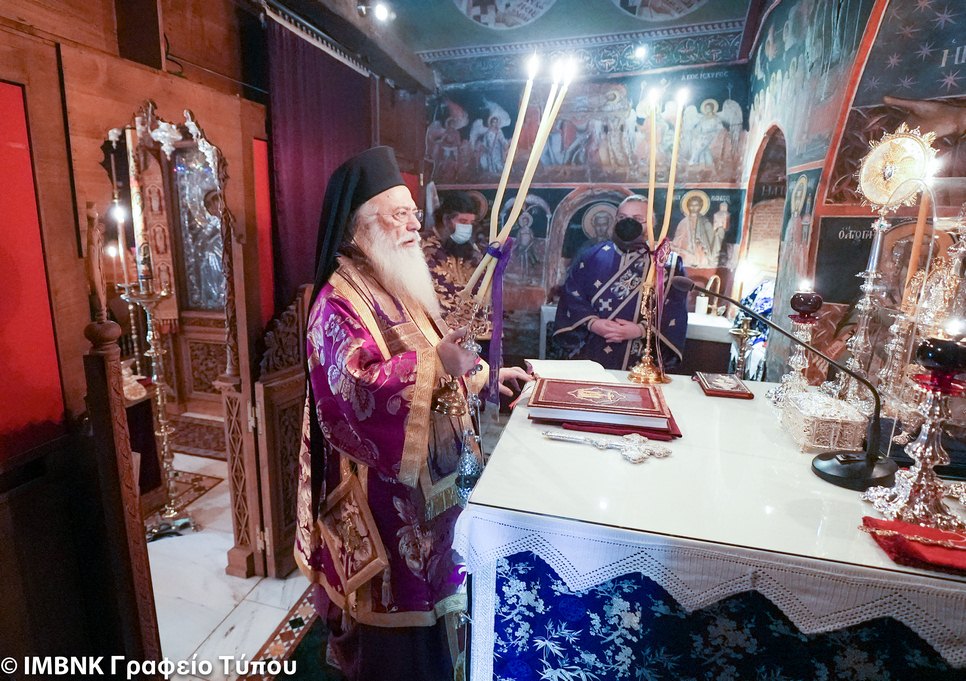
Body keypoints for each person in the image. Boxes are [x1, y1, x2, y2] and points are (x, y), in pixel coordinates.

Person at [297, 146, 529, 681]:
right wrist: (437, 362)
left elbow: (436, 354)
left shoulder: (394, 280)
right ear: (360, 225)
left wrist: (482, 376)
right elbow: (351, 390)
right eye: (398, 214)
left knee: (442, 599)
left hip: (438, 482)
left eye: (413, 213)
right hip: (384, 496)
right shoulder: (337, 301)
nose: (413, 225)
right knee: (398, 633)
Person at [553, 195, 688, 371]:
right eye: (622, 217)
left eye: (638, 219)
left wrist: (640, 330)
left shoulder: (666, 263)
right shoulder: (592, 256)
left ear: (652, 223)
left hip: (639, 359)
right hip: (592, 351)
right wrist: (593, 323)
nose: (628, 223)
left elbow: (675, 310)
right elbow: (572, 296)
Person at [421, 191, 483, 327]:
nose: (467, 228)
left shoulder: (473, 252)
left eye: (471, 223)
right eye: (463, 221)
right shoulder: (421, 246)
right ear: (446, 220)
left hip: (474, 329)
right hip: (437, 328)